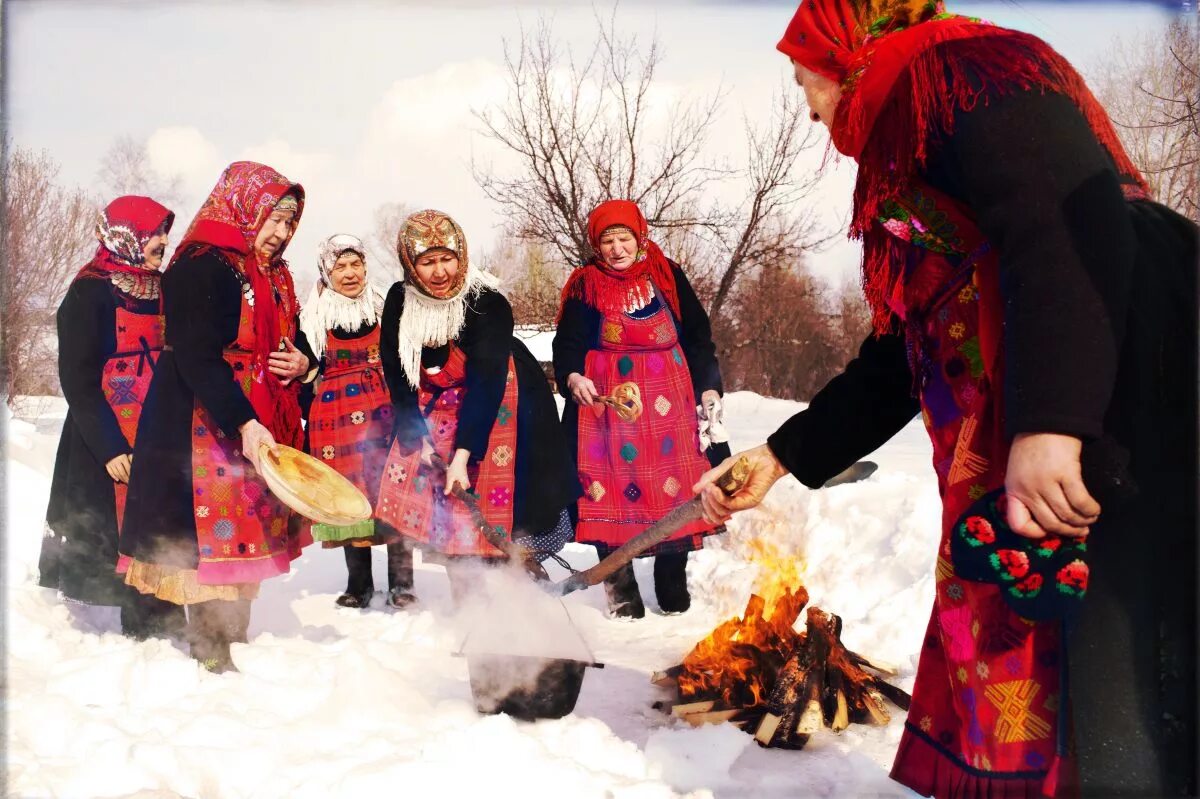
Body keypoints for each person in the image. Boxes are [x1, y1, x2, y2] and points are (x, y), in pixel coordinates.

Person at [695, 2, 1197, 796]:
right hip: (1041, 418)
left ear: (845, 50)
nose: (807, 103)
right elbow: (903, 349)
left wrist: (1053, 423)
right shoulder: (913, 125)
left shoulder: (958, 72)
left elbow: (1062, 216)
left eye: (805, 79)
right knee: (1052, 663)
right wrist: (781, 455)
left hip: (1115, 389)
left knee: (1116, 676)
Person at [119, 162, 316, 673]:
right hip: (200, 414)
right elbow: (195, 354)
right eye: (272, 219)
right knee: (206, 534)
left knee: (246, 523)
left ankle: (233, 630)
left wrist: (304, 365)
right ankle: (211, 649)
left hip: (252, 411)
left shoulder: (273, 275)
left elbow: (294, 338)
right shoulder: (200, 265)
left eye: (288, 223)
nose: (279, 233)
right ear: (245, 208)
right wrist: (244, 421)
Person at [375, 209, 577, 600]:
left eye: (447, 258)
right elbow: (397, 371)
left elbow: (486, 382)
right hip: (437, 400)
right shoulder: (401, 299)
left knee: (504, 503)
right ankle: (467, 603)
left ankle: (513, 595)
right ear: (410, 265)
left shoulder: (487, 302)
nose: (439, 272)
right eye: (427, 262)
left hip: (506, 400)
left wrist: (464, 453)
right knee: (448, 508)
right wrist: (419, 435)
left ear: (462, 255)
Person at [553, 200, 730, 618]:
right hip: (608, 406)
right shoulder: (586, 284)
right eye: (607, 240)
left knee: (678, 491)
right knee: (609, 490)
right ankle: (621, 589)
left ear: (639, 236)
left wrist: (708, 387)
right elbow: (567, 345)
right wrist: (574, 377)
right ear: (597, 246)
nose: (616, 249)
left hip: (671, 401)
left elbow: (698, 336)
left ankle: (672, 583)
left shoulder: (666, 274)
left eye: (624, 238)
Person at [39, 195, 185, 639]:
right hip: (106, 428)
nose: (163, 241)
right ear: (126, 236)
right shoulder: (89, 291)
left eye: (165, 231)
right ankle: (136, 619)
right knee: (115, 521)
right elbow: (78, 379)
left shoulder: (165, 288)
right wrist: (109, 446)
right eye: (155, 233)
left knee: (162, 514)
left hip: (159, 421)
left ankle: (163, 604)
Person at [298, 233, 415, 610]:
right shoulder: (314, 318)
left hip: (384, 415)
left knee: (392, 492)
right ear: (326, 272)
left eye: (355, 264)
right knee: (349, 498)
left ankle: (402, 583)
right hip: (336, 423)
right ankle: (359, 584)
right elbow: (302, 368)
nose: (349, 273)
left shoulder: (386, 307)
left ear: (366, 266)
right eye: (339, 266)